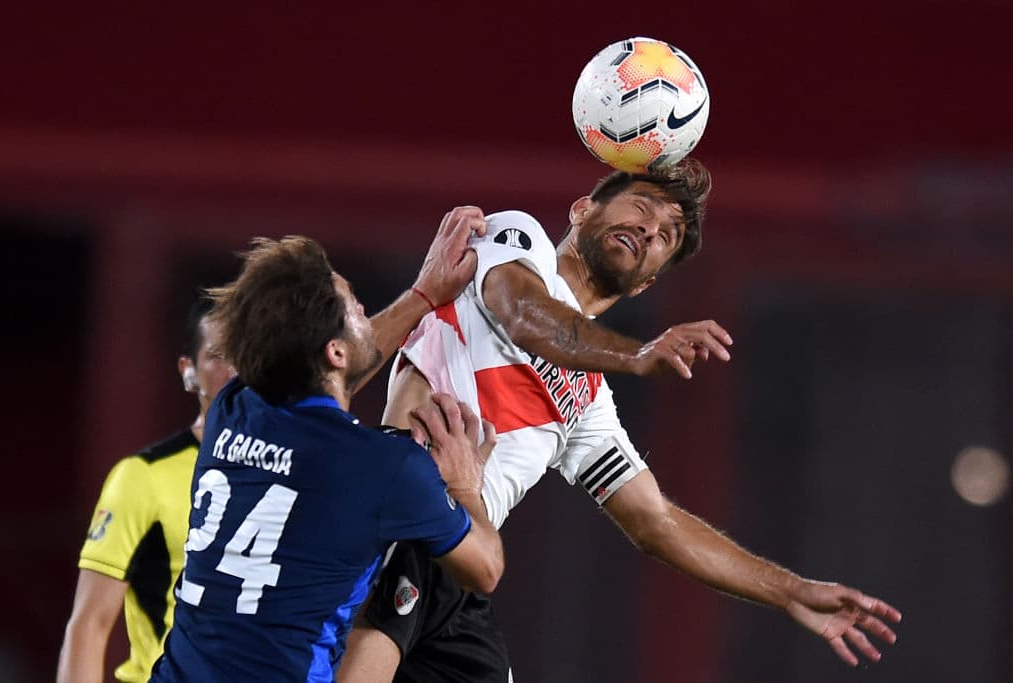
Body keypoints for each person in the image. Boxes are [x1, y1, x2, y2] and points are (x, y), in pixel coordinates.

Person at [338, 158, 902, 683]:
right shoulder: (513, 242)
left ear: (648, 283)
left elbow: (656, 522)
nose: (651, 229)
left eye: (668, 234)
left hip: (460, 566)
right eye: (642, 206)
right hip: (404, 516)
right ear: (583, 209)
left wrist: (789, 590)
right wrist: (634, 354)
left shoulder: (588, 404)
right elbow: (526, 315)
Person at [150, 220, 505, 681]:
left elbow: (327, 370)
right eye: (353, 305)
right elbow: (485, 568)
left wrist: (423, 294)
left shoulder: (231, 410)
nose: (363, 308)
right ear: (334, 352)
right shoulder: (389, 467)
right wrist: (465, 484)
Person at [57, 297, 236, 683]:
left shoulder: (290, 469)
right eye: (220, 355)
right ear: (188, 371)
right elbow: (90, 622)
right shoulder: (143, 476)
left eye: (248, 352)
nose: (236, 369)